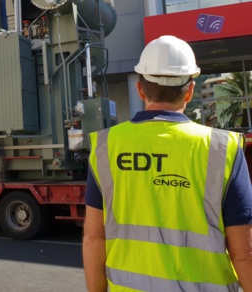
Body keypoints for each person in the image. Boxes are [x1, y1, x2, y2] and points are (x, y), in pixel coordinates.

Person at [83, 35, 252, 291]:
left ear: (141, 89)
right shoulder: (222, 148)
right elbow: (244, 254)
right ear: (191, 90)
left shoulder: (107, 146)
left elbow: (94, 238)